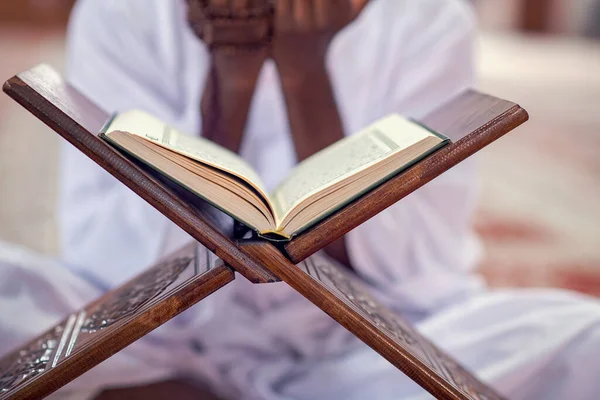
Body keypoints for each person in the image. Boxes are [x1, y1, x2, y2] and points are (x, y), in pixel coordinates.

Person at [2, 0, 600, 399]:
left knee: (582, 338)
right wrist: (229, 82)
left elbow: (422, 266)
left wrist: (303, 70)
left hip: (368, 343)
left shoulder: (427, 16)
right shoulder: (121, 10)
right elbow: (106, 257)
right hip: (159, 336)